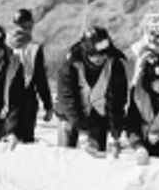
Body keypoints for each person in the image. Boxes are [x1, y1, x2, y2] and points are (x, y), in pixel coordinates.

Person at [55, 25, 129, 155]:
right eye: (94, 55)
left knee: (96, 158)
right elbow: (68, 100)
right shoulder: (70, 65)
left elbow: (117, 100)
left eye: (103, 54)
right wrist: (82, 131)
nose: (100, 58)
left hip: (97, 115)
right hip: (70, 115)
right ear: (86, 52)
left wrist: (115, 132)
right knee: (66, 155)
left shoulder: (115, 65)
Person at [9, 8, 53, 142]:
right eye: (24, 26)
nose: (26, 29)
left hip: (22, 97)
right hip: (11, 97)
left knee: (16, 140)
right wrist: (48, 105)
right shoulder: (4, 45)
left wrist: (47, 104)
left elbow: (40, 79)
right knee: (15, 139)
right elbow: (41, 80)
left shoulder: (33, 48)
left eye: (28, 26)